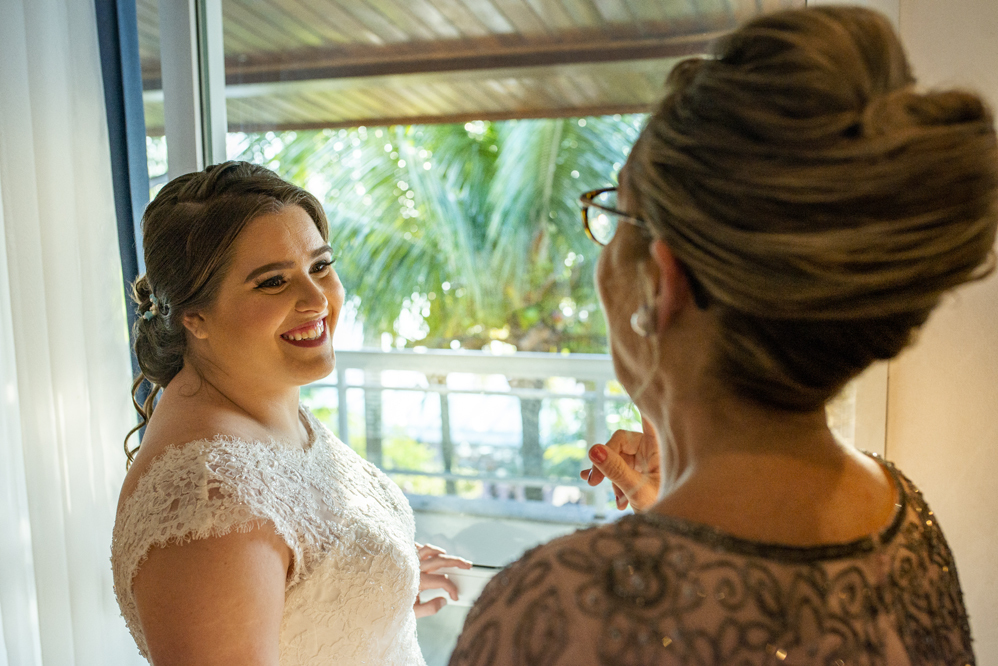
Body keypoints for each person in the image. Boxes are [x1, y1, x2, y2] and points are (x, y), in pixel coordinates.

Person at [450, 6, 995, 665]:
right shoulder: (905, 524)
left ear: (662, 278)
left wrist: (651, 557)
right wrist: (667, 511)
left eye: (616, 210)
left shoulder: (549, 608)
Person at [110, 161, 470, 666]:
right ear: (195, 315)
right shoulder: (212, 504)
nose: (317, 299)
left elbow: (292, 578)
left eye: (320, 266)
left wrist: (372, 587)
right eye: (273, 282)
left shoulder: (260, 407)